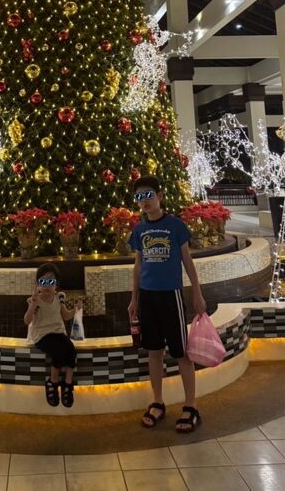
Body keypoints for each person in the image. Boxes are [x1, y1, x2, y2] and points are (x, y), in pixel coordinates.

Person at [127, 175, 207, 432]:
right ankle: (157, 401)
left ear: (160, 196)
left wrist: (196, 293)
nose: (144, 201)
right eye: (139, 197)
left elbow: (187, 261)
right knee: (153, 351)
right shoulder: (139, 230)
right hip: (148, 297)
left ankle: (191, 405)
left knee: (181, 352)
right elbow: (138, 266)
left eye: (148, 194)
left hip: (170, 295)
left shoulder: (175, 226)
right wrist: (134, 299)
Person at [24, 262, 82, 408]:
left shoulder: (58, 298)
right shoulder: (35, 301)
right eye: (44, 281)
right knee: (58, 351)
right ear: (37, 284)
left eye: (51, 281)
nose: (47, 286)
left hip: (58, 333)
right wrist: (32, 305)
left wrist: (76, 310)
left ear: (56, 284)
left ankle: (67, 384)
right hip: (42, 335)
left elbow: (66, 316)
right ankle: (53, 381)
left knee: (70, 349)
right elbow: (27, 320)